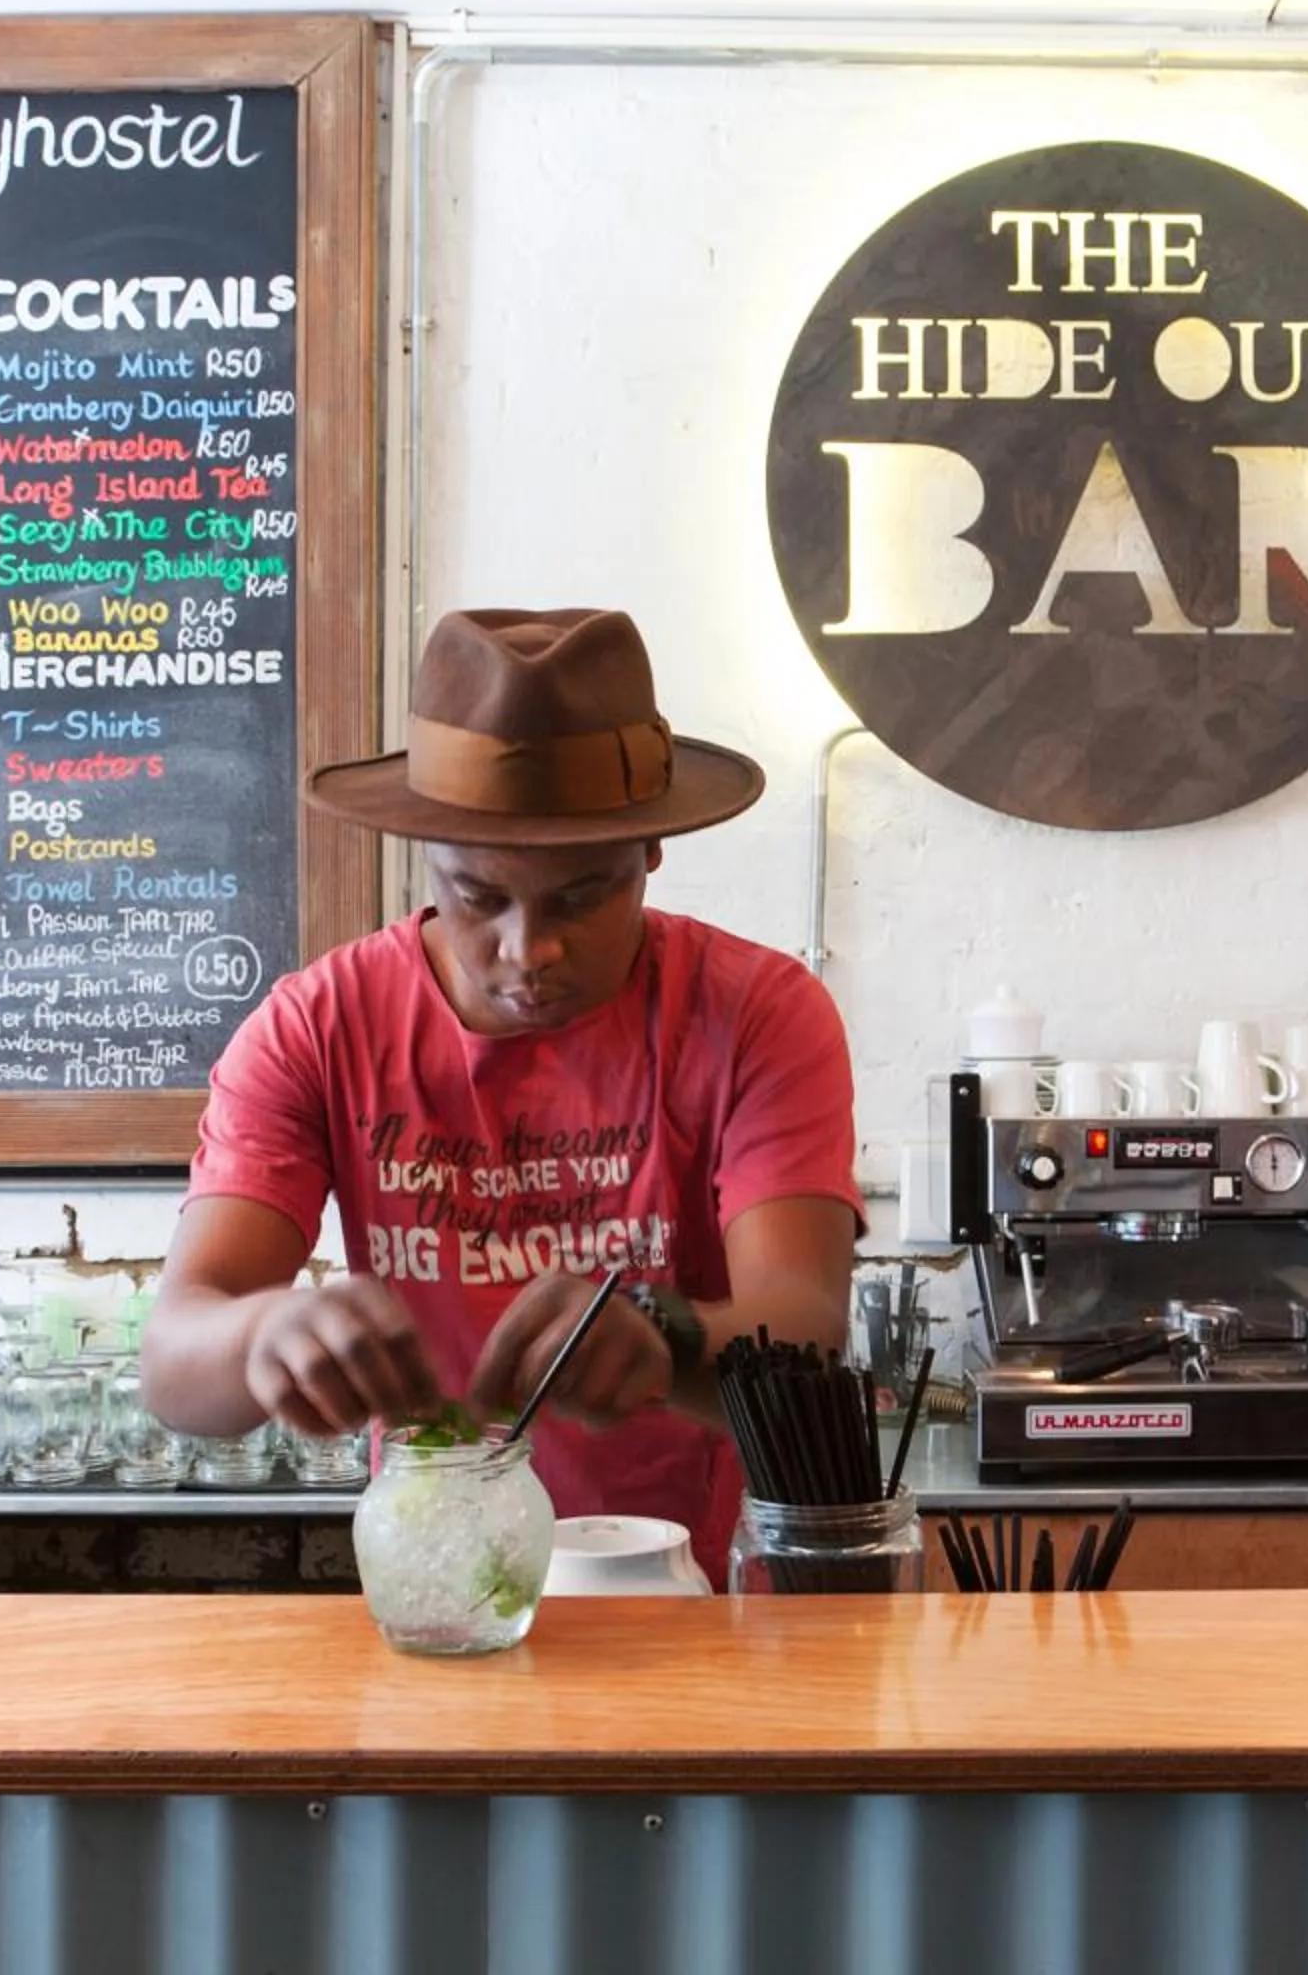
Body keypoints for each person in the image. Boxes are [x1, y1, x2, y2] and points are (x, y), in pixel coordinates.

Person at [142, 607, 861, 1569]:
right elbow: (175, 1364)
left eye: (582, 895)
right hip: (444, 1588)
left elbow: (806, 1333)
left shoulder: (756, 1014)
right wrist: (267, 1333)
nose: (530, 952)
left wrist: (666, 1335)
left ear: (651, 851)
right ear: (425, 855)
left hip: (698, 1592)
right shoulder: (318, 1028)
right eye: (480, 897)